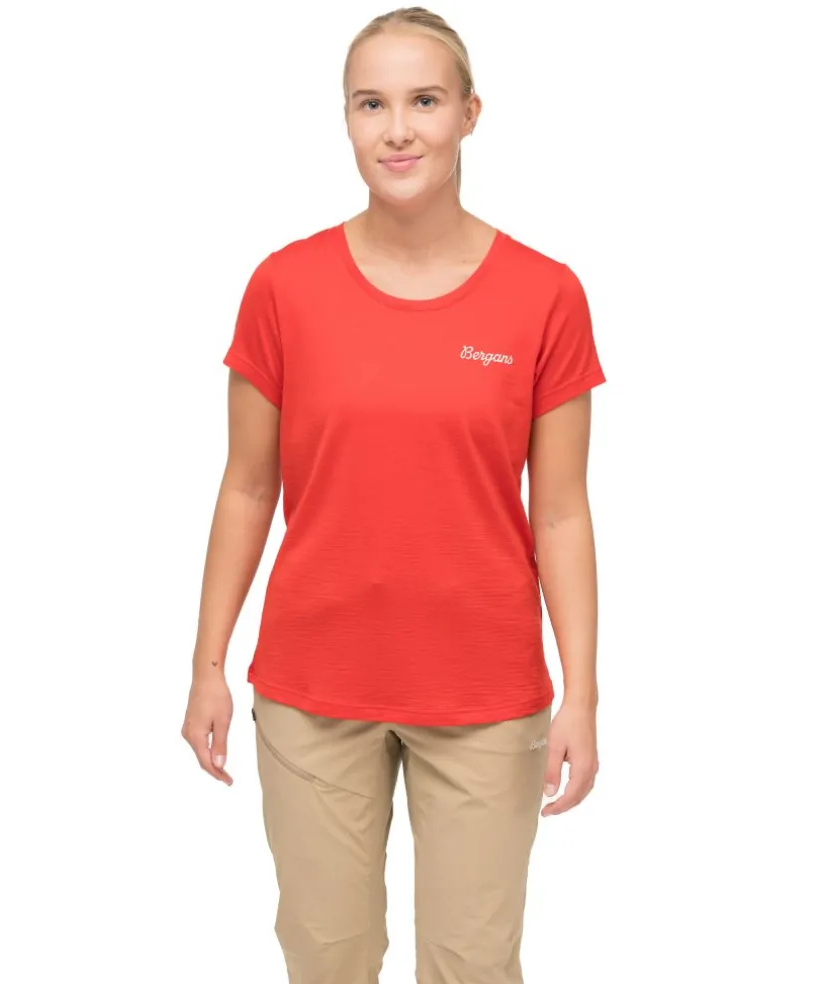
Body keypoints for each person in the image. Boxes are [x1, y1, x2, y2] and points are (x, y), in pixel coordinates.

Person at [181, 6, 606, 983]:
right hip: (314, 687)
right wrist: (208, 664)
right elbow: (246, 488)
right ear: (345, 117)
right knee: (327, 958)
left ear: (469, 114)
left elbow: (562, 513)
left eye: (425, 101)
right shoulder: (284, 287)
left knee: (472, 964)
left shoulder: (545, 295)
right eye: (371, 104)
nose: (398, 129)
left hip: (485, 693)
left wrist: (582, 695)